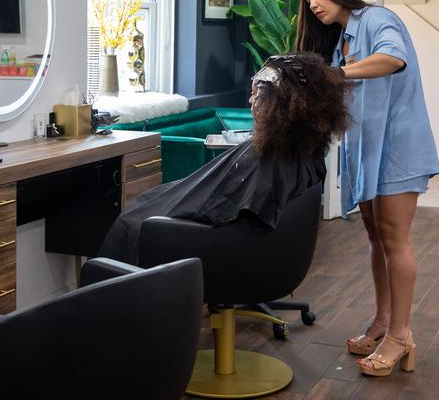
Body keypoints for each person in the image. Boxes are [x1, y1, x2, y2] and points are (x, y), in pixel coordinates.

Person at [295, 0, 439, 377]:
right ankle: (381, 322)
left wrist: (336, 73)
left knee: (395, 239)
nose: (313, 4)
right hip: (369, 149)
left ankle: (400, 336)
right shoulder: (343, 38)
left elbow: (393, 58)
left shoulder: (377, 19)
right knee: (377, 239)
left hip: (397, 147)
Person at [98, 53, 348, 265]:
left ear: (279, 102)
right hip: (264, 252)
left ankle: (113, 309)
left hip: (221, 247)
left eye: (257, 94)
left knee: (131, 222)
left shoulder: (272, 158)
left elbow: (225, 207)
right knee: (147, 200)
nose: (250, 100)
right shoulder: (304, 149)